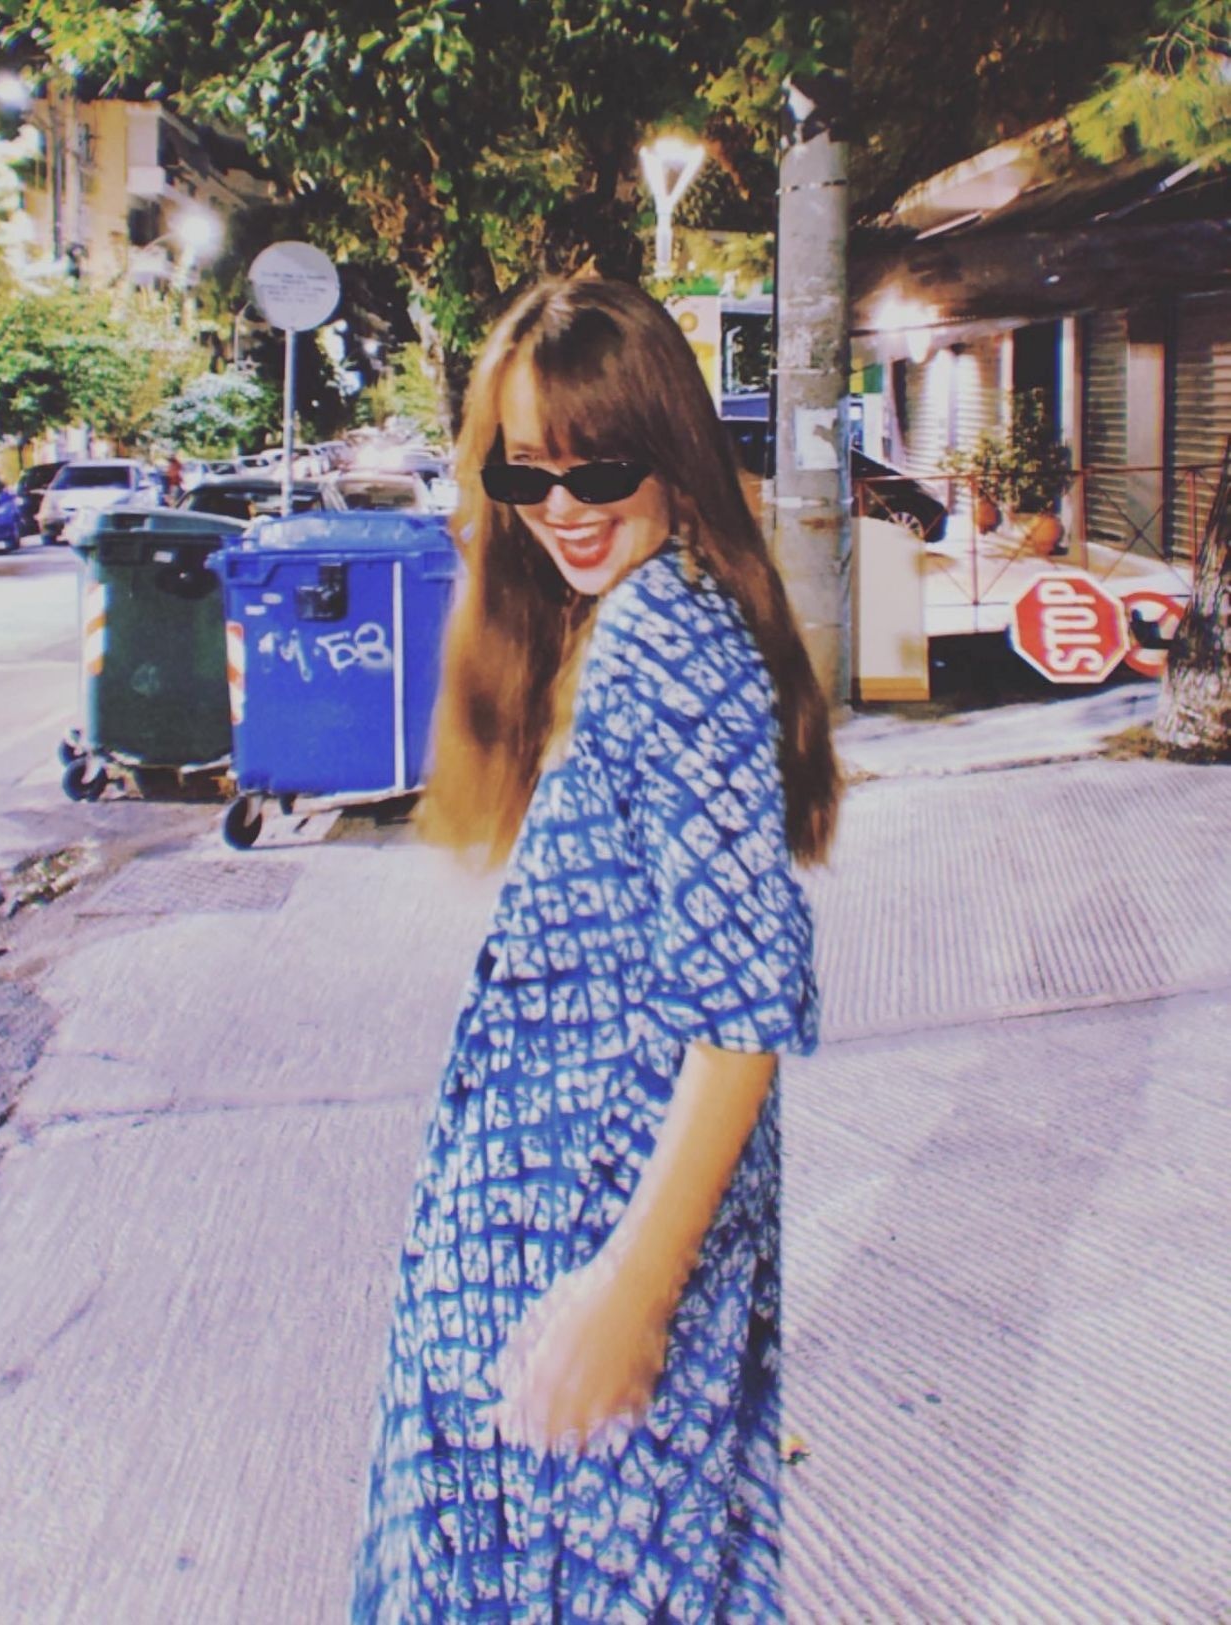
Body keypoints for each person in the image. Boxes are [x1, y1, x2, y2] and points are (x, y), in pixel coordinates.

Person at [351, 277, 840, 1621]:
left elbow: (743, 1015)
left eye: (600, 467)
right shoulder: (622, 616)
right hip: (543, 1253)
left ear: (673, 454)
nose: (561, 505)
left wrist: (637, 1289)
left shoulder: (668, 646)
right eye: (526, 471)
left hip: (578, 1257)